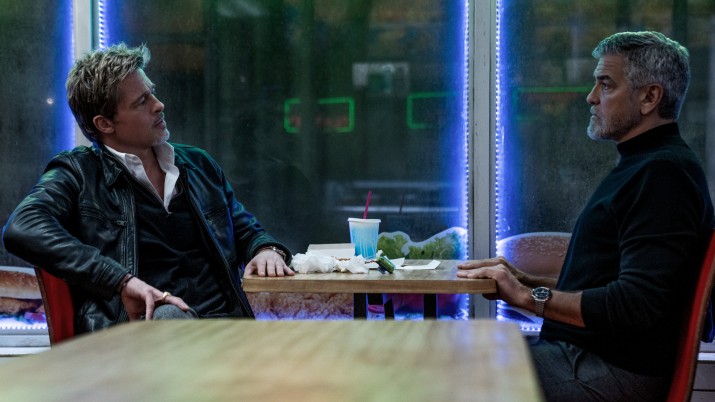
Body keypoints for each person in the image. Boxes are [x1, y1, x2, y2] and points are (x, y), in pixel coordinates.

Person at [457, 31, 714, 401]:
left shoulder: (663, 174)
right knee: (456, 351)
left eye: (605, 84)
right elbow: (605, 284)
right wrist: (522, 280)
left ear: (649, 97)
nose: (591, 97)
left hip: (608, 371)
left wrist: (529, 297)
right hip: (586, 359)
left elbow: (635, 304)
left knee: (447, 365)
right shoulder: (647, 165)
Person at [2, 43, 294, 333]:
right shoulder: (79, 172)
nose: (158, 104)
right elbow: (22, 227)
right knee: (167, 315)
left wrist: (266, 250)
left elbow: (246, 231)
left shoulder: (198, 164)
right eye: (142, 101)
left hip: (225, 327)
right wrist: (121, 281)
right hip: (141, 337)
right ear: (105, 123)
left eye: (152, 92)